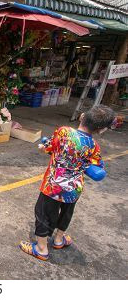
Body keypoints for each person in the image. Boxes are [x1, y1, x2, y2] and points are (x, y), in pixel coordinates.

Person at [19, 105, 115, 261]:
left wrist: (44, 147)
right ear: (101, 129)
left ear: (82, 116)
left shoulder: (64, 131)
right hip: (73, 189)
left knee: (43, 214)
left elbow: (50, 147)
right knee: (66, 213)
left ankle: (41, 249)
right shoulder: (94, 146)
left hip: (53, 186)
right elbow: (98, 170)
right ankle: (58, 240)